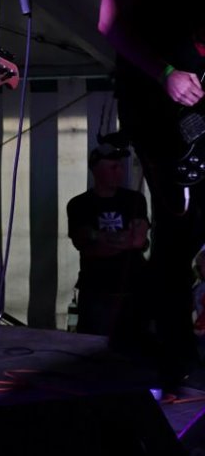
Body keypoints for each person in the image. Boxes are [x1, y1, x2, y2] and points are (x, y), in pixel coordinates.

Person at [98, 0, 205, 395]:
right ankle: (174, 360)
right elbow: (110, 22)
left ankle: (144, 334)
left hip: (204, 101)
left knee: (193, 226)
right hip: (160, 105)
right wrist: (165, 74)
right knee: (178, 225)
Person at [66, 134, 149, 348]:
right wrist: (124, 239)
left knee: (136, 347)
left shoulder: (134, 199)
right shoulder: (79, 204)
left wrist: (99, 236)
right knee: (93, 348)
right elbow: (86, 245)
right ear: (96, 170)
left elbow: (138, 239)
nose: (119, 171)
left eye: (120, 166)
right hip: (97, 291)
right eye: (113, 167)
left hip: (133, 288)